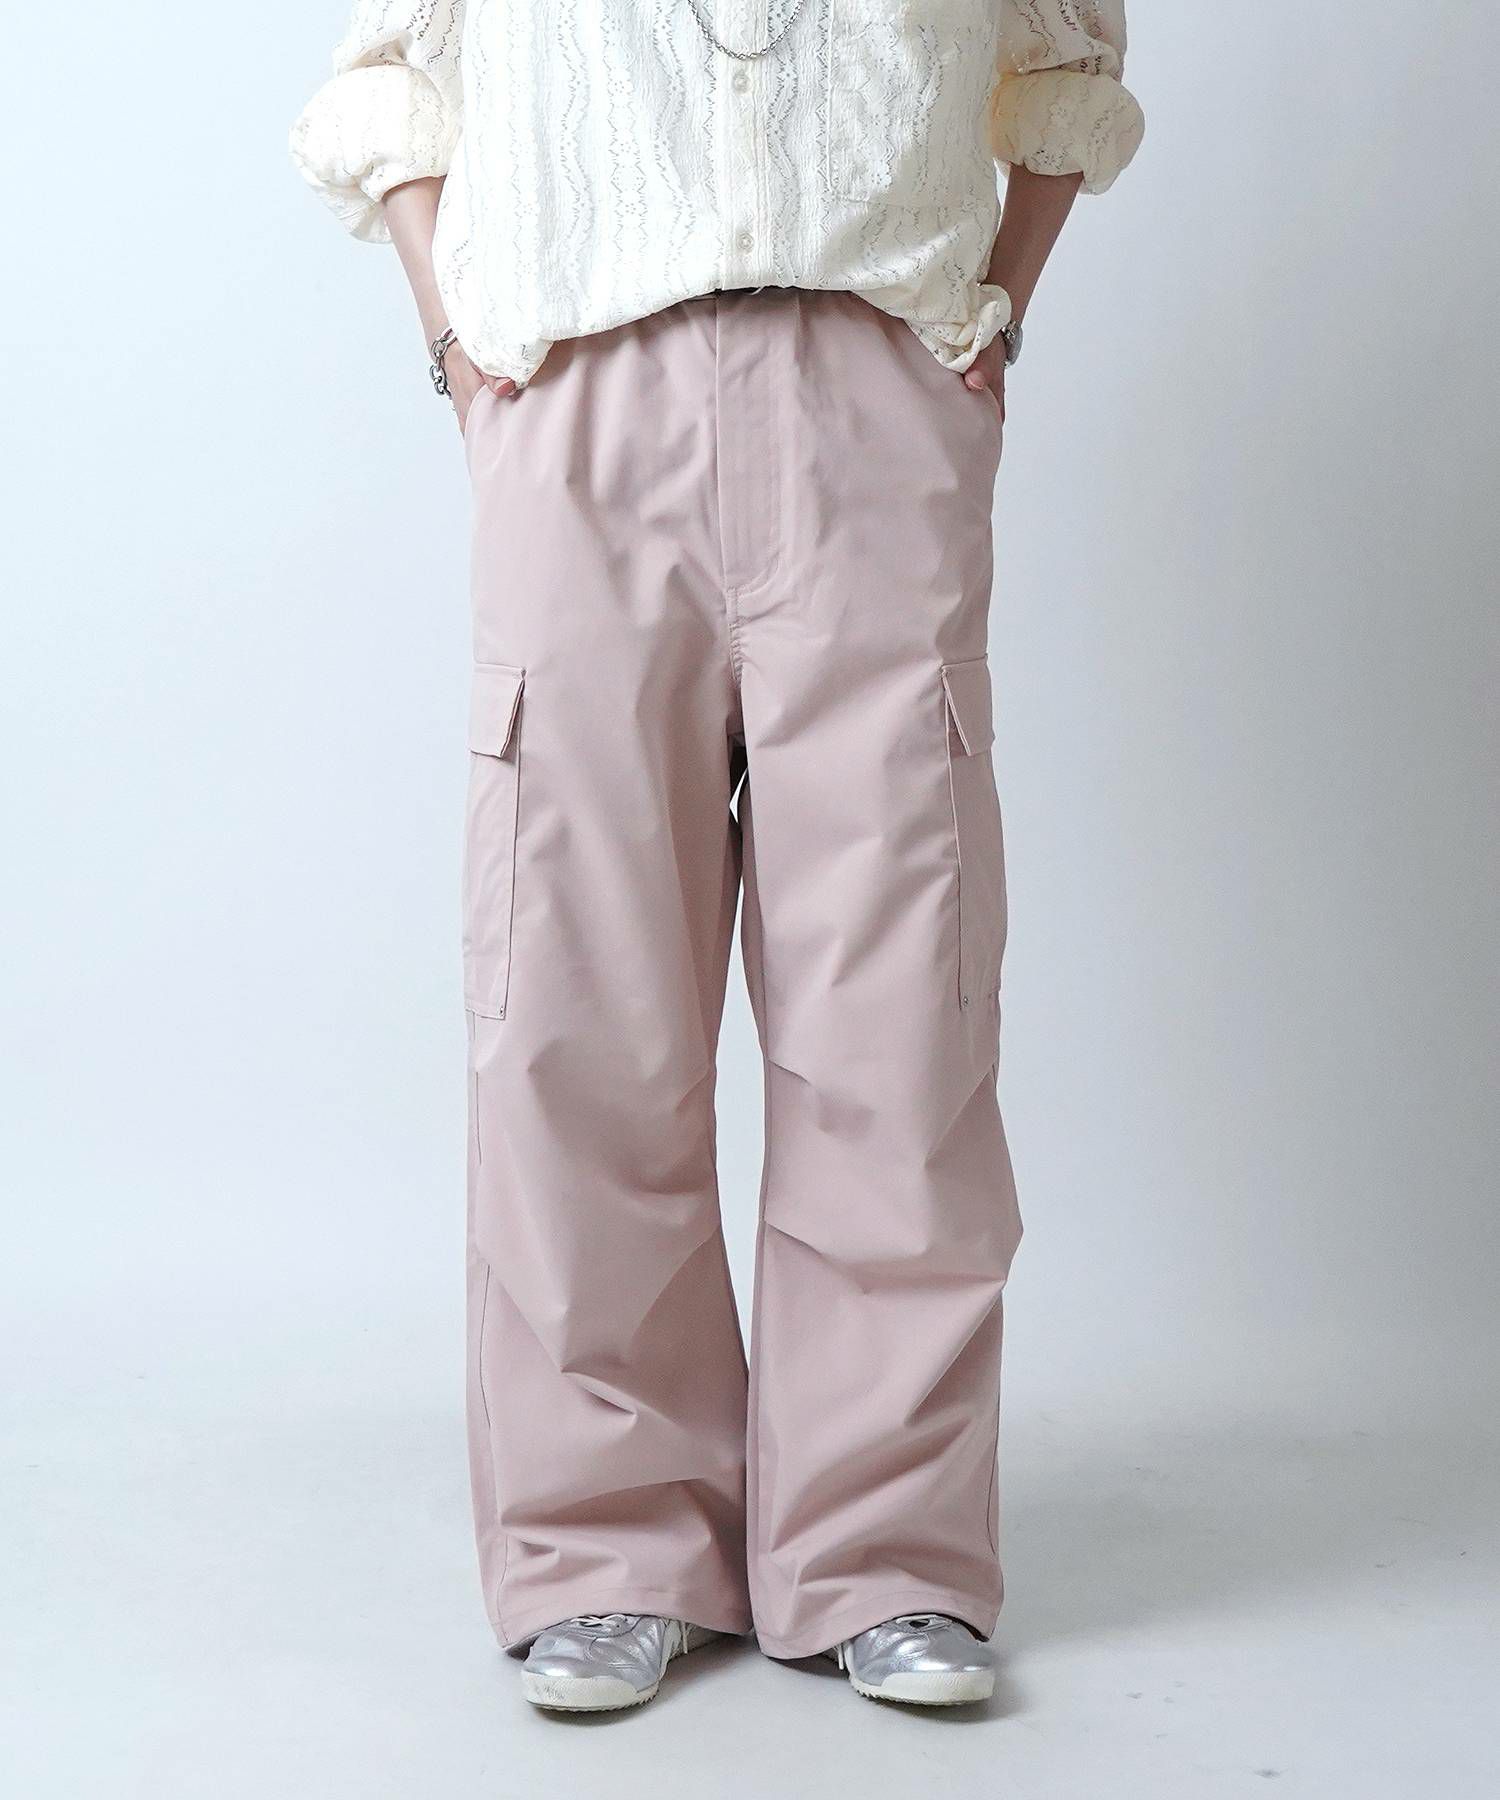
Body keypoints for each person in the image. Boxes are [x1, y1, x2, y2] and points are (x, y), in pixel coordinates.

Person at [291, 0, 1142, 1713]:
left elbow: (1069, 58)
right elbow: (387, 79)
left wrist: (992, 325)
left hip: (874, 387)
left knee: (900, 1013)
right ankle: (607, 1547)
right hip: (581, 393)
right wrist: (460, 351)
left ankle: (886, 1551)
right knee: (577, 1006)